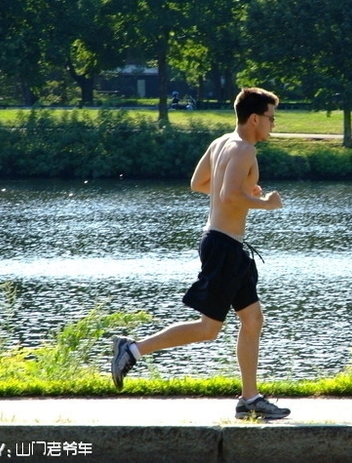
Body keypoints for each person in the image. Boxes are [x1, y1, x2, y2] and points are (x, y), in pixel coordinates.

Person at [110, 87, 290, 420]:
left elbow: (200, 183)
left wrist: (242, 192)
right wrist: (264, 203)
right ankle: (131, 349)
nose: (273, 124)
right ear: (254, 118)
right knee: (209, 329)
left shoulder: (221, 143)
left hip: (227, 246)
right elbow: (228, 195)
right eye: (270, 117)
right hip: (223, 245)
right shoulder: (245, 150)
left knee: (252, 320)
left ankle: (249, 399)